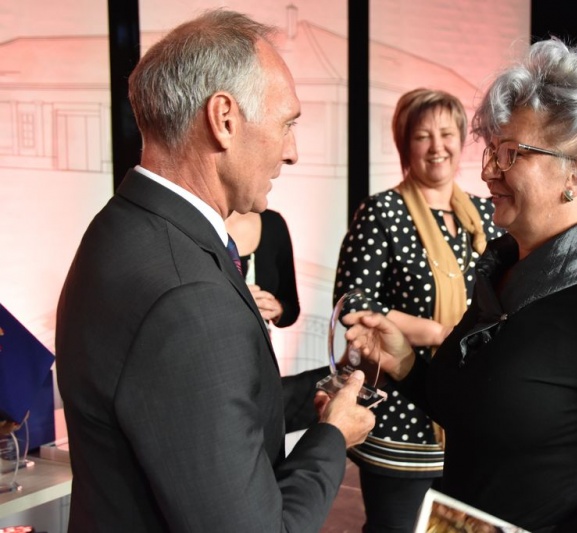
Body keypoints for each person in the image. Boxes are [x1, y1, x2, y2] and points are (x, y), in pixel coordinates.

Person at [343, 38, 577, 531]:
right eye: (492, 150)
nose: (488, 171)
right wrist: (405, 363)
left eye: (511, 153)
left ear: (576, 176)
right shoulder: (504, 277)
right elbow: (468, 408)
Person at [55, 10, 374, 532]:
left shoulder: (123, 225)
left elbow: (195, 408)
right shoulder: (189, 297)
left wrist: (323, 391)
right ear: (224, 118)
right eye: (286, 124)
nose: (292, 152)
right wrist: (332, 437)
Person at [333, 88, 502, 532]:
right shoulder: (382, 212)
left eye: (447, 134)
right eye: (422, 136)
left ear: (461, 139)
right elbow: (354, 303)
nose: (436, 146)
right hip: (402, 419)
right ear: (405, 145)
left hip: (470, 416)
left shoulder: (486, 214)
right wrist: (437, 333)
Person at [225, 209, 301, 328]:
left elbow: (291, 308)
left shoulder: (273, 223)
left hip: (255, 338)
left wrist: (276, 308)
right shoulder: (200, 221)